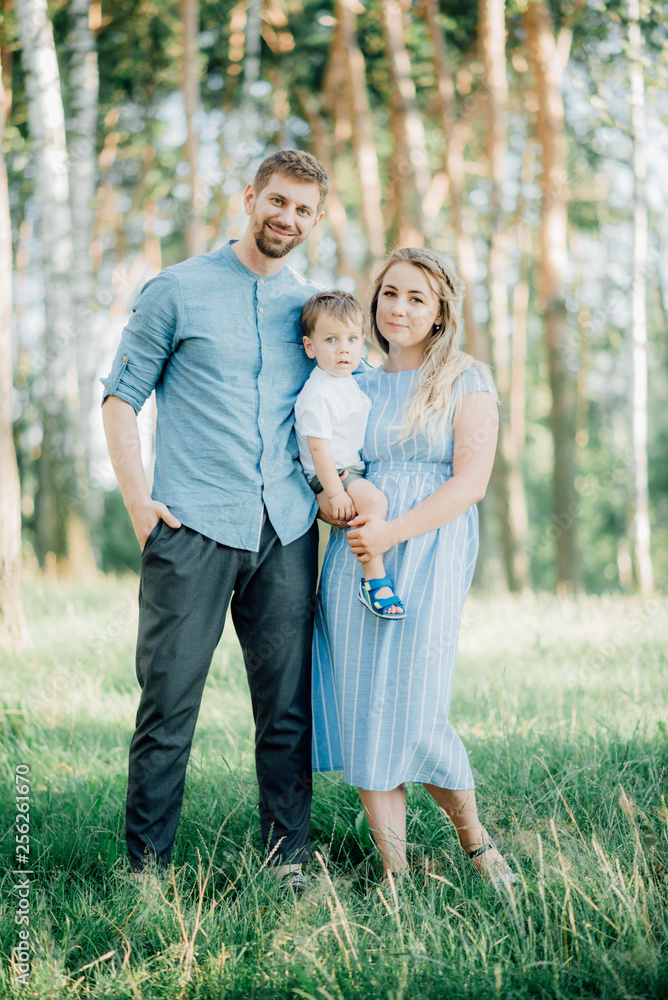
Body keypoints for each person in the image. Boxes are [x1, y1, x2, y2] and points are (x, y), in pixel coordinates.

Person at [101, 149, 337, 894]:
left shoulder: (313, 310)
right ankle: (146, 872)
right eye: (277, 201)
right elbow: (120, 398)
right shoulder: (177, 290)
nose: (286, 218)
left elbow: (342, 408)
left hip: (287, 530)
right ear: (249, 198)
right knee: (168, 704)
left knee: (287, 709)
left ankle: (287, 863)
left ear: (316, 220)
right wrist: (141, 503)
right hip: (193, 525)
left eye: (303, 209)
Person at [311, 247, 517, 886]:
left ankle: (477, 846)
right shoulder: (352, 383)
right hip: (356, 562)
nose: (398, 308)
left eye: (417, 298)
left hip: (428, 549)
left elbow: (472, 482)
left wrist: (393, 532)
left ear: (439, 313)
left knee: (416, 705)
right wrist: (339, 507)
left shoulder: (466, 378)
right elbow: (328, 474)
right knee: (364, 706)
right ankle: (395, 876)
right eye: (390, 293)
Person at [294, 290, 405, 620]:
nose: (344, 348)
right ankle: (374, 581)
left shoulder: (347, 380)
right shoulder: (319, 393)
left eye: (352, 339)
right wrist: (335, 492)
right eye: (331, 339)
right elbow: (318, 448)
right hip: (332, 473)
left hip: (344, 467)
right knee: (374, 503)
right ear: (310, 347)